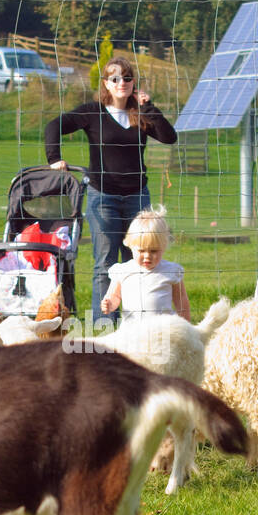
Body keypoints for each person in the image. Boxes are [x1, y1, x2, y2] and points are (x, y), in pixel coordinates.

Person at [45, 57, 178, 324]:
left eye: (127, 78)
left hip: (137, 197)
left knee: (139, 261)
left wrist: (148, 107)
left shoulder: (140, 112)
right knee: (105, 265)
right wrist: (54, 158)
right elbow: (53, 126)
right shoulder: (92, 112)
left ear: (133, 83)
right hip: (102, 198)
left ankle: (138, 323)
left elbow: (168, 137)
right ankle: (103, 326)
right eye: (115, 78)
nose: (122, 83)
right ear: (106, 82)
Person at [101, 205, 190, 323]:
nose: (147, 255)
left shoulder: (171, 271)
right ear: (130, 245)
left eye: (154, 251)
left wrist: (186, 327)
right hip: (132, 331)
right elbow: (115, 296)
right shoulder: (123, 271)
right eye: (141, 251)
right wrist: (110, 304)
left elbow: (181, 301)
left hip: (163, 331)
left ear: (163, 247)